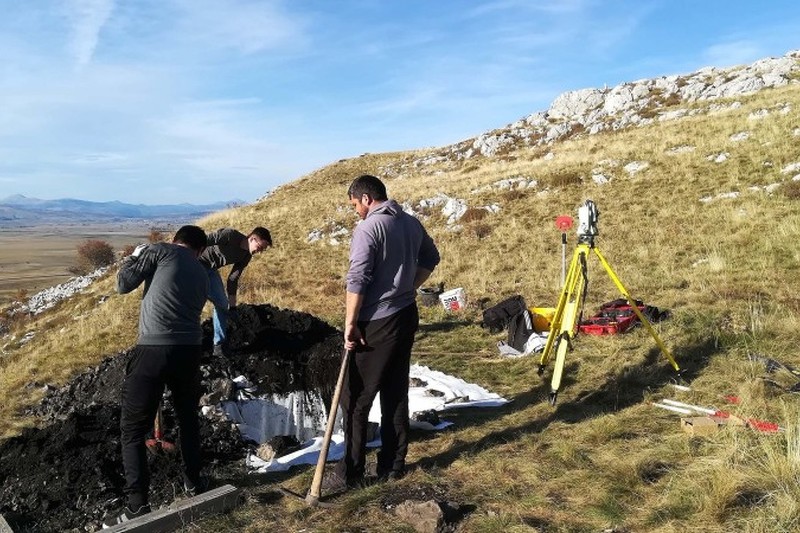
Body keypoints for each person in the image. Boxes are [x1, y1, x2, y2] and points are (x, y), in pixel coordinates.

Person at [325, 174, 440, 492]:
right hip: (406, 315)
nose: (355, 212)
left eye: (354, 205)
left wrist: (350, 323)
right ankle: (392, 464)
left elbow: (358, 278)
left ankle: (351, 471)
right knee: (395, 389)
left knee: (356, 397)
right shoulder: (411, 223)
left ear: (365, 198)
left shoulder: (368, 229)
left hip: (376, 323)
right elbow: (431, 258)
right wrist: (407, 287)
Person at [103, 225, 209, 527]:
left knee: (133, 430)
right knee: (188, 419)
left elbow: (123, 285)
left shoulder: (162, 250)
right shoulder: (202, 271)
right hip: (189, 351)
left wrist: (134, 257)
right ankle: (193, 485)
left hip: (153, 350)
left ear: (178, 241)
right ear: (199, 249)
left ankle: (138, 506)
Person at [198, 227, 272, 356]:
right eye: (260, 247)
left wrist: (232, 308)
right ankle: (185, 343)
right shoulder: (230, 236)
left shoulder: (246, 256)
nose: (259, 251)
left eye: (262, 250)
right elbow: (202, 241)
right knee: (194, 303)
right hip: (196, 264)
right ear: (252, 238)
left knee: (221, 304)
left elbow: (233, 279)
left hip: (211, 270)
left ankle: (219, 346)